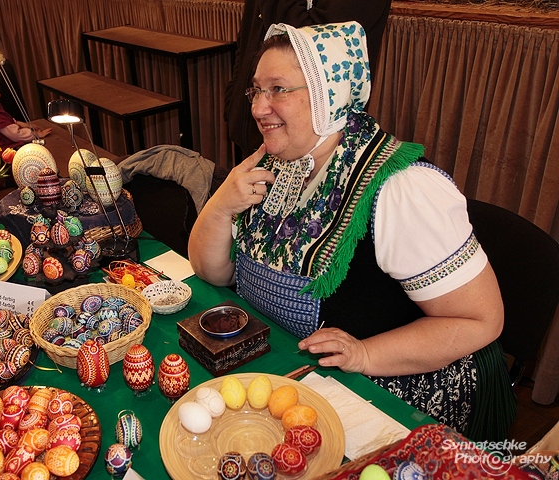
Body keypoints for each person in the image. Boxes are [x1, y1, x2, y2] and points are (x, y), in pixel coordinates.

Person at [189, 22, 516, 441]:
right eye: (256, 90)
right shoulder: (276, 166)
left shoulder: (400, 189)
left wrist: (364, 353)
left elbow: (481, 320)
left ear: (331, 97)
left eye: (278, 89)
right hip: (290, 371)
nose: (257, 107)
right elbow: (212, 272)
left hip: (396, 391)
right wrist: (222, 205)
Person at [225, 0, 392, 161]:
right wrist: (234, 103)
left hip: (321, 148)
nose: (258, 110)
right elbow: (247, 41)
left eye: (278, 88)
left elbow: (308, 51)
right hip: (255, 135)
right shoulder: (259, 108)